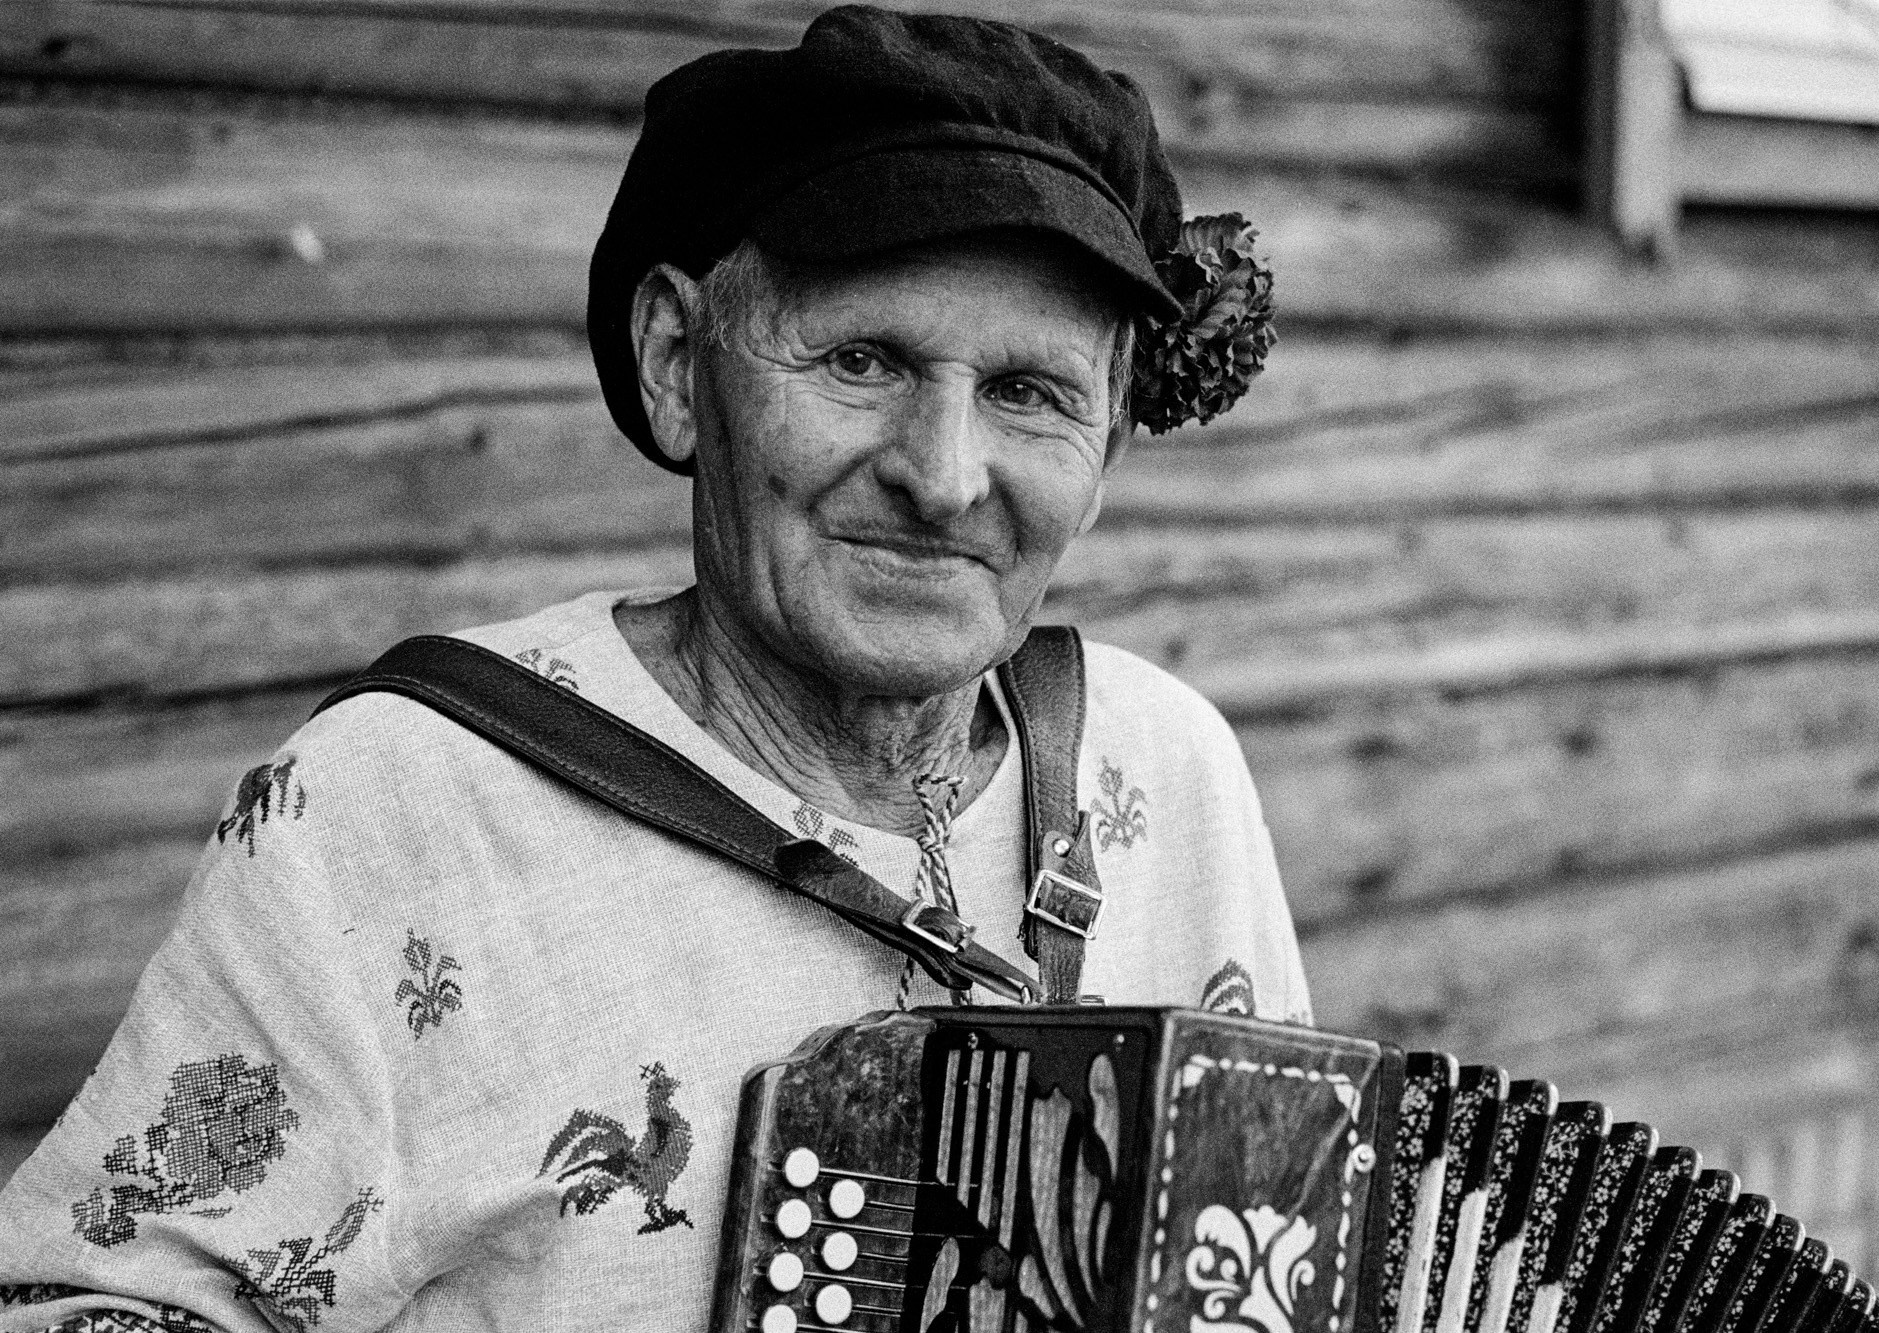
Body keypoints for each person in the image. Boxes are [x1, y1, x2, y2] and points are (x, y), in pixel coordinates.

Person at [0, 7, 1297, 1331]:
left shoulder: (1169, 767)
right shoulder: (397, 813)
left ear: (1106, 449)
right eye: (862, 361)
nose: (945, 474)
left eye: (1028, 391)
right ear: (679, 363)